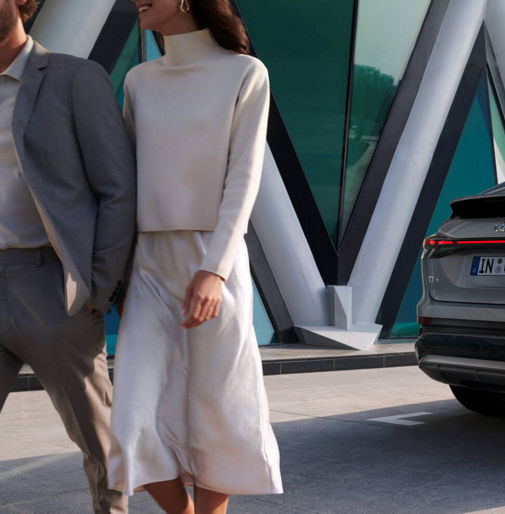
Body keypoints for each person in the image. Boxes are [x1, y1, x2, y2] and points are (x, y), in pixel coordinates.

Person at [108, 0, 282, 512]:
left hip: (214, 260)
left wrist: (214, 269)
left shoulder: (246, 73)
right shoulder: (139, 80)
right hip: (148, 264)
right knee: (130, 419)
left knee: (220, 412)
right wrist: (119, 270)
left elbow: (244, 179)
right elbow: (125, 182)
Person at [0, 0, 137, 512]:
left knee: (98, 442)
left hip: (51, 286)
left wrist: (98, 287)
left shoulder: (74, 79)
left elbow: (117, 190)